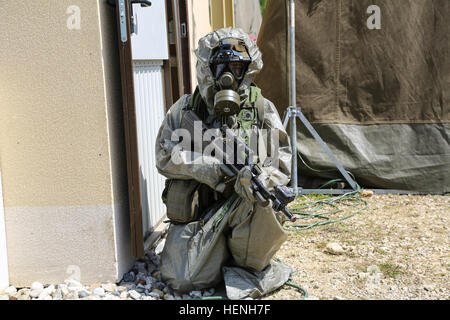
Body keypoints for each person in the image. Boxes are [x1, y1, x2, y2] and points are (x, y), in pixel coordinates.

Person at [155, 28, 293, 299]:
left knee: (261, 214)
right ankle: (218, 259)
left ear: (247, 69)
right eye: (221, 66)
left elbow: (281, 163)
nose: (228, 74)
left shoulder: (261, 109)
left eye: (236, 66)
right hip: (202, 215)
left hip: (244, 208)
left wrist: (260, 180)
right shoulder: (186, 110)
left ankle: (245, 260)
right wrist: (207, 167)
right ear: (208, 68)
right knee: (181, 280)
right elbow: (163, 156)